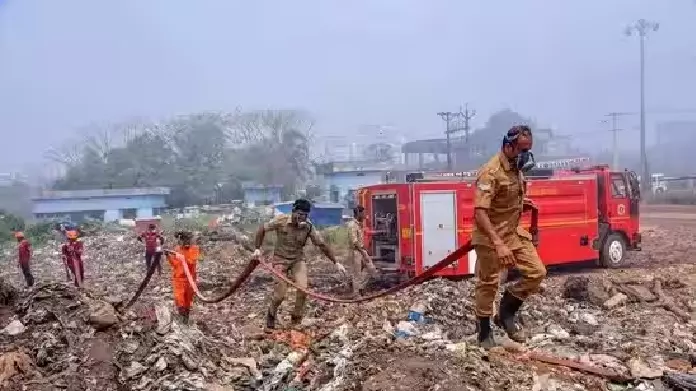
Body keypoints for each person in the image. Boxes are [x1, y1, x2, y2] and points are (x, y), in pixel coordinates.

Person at [472, 125, 547, 348]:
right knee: (489, 283)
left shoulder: (516, 168)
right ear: (508, 146)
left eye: (529, 149)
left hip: (513, 234)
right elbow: (480, 212)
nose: (527, 155)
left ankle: (506, 311)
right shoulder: (491, 172)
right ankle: (484, 331)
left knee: (537, 273)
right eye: (522, 149)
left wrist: (521, 204)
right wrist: (498, 244)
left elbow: (503, 198)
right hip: (490, 238)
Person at [253, 198, 346, 329]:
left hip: (297, 260)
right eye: (299, 214)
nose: (301, 218)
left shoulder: (308, 227)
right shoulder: (281, 220)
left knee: (303, 289)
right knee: (280, 295)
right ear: (293, 212)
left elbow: (322, 244)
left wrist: (336, 262)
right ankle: (271, 314)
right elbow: (262, 229)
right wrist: (257, 249)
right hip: (280, 260)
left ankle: (296, 320)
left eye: (305, 215)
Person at [166, 231, 200, 324]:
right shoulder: (177, 249)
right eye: (183, 240)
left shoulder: (195, 249)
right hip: (179, 279)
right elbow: (175, 264)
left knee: (187, 301)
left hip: (190, 280)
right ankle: (182, 318)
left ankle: (186, 319)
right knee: (179, 299)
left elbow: (191, 262)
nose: (186, 242)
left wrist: (181, 257)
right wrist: (168, 257)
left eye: (188, 240)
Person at [346, 206, 378, 297]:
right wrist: (363, 252)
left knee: (371, 269)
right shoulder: (352, 225)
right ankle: (356, 295)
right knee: (356, 273)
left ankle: (360, 287)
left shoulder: (358, 224)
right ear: (358, 213)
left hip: (361, 250)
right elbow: (354, 242)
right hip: (356, 252)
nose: (364, 215)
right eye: (363, 213)